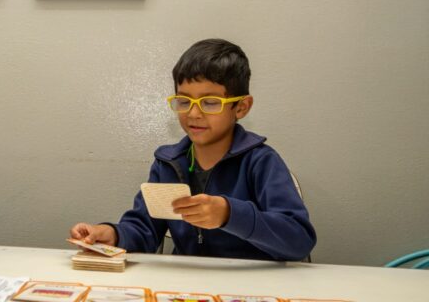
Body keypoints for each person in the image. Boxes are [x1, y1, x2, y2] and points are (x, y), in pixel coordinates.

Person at [70, 39, 316, 261]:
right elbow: (144, 230)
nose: (193, 113)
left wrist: (230, 215)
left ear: (241, 107)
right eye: (184, 101)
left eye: (210, 102)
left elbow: (298, 241)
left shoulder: (261, 162)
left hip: (250, 287)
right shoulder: (168, 163)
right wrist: (112, 234)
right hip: (187, 287)